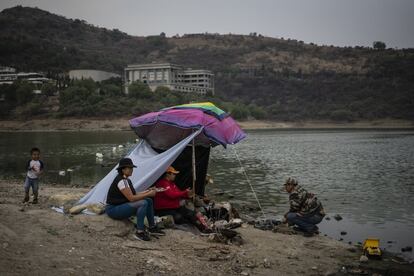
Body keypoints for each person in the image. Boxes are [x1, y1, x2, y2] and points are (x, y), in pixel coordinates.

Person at [106, 158, 165, 241]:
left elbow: (134, 194)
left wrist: (148, 191)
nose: (132, 170)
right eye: (129, 168)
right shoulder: (121, 181)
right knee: (143, 203)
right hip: (113, 209)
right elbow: (131, 198)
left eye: (132, 168)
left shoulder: (126, 179)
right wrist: (149, 194)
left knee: (149, 200)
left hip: (120, 206)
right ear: (123, 169)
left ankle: (152, 227)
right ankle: (139, 232)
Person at [154, 166, 212, 233]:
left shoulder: (172, 184)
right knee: (180, 218)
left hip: (175, 207)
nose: (175, 176)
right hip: (164, 209)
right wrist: (184, 192)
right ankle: (199, 229)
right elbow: (172, 195)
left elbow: (178, 193)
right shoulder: (163, 183)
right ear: (168, 174)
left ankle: (205, 227)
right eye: (174, 174)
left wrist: (188, 194)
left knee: (192, 213)